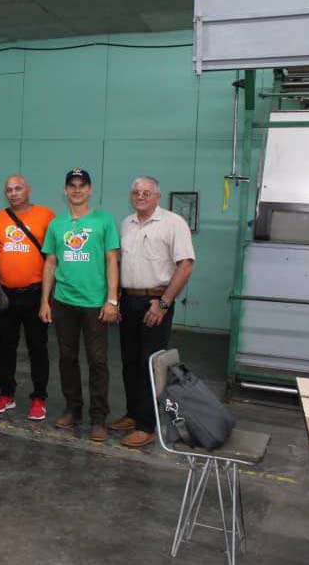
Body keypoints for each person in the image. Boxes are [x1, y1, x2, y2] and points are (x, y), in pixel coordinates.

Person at [111, 176, 195, 448]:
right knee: (130, 362)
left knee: (149, 364)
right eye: (136, 192)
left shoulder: (173, 223)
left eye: (147, 193)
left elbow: (185, 265)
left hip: (155, 302)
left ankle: (146, 426)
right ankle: (133, 414)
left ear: (157, 196)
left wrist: (164, 302)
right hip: (129, 301)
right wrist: (117, 299)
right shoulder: (126, 223)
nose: (140, 196)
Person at [40, 168, 120, 442]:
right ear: (65, 190)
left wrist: (112, 300)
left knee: (98, 361)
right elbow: (50, 262)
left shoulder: (104, 221)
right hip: (63, 302)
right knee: (67, 358)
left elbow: (112, 260)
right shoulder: (57, 224)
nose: (77, 190)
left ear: (90, 189)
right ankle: (73, 409)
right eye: (72, 185)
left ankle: (99, 418)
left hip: (95, 303)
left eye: (82, 185)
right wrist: (45, 301)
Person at [0, 175, 56, 421]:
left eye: (18, 188)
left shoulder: (46, 215)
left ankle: (39, 398)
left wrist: (47, 298)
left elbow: (53, 256)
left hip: (35, 293)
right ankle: (6, 394)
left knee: (38, 347)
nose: (13, 193)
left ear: (28, 190)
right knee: (6, 346)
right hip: (5, 295)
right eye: (9, 190)